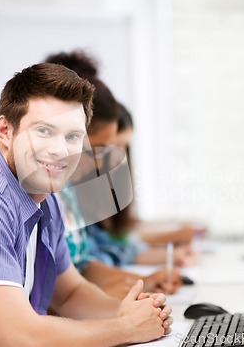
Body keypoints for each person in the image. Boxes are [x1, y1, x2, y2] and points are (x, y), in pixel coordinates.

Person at [0, 63, 173, 346]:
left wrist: (132, 313)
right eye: (44, 131)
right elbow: (14, 337)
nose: (60, 151)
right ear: (5, 131)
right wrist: (125, 328)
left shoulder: (44, 197)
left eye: (72, 136)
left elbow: (70, 293)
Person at [43, 50, 182, 299]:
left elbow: (81, 265)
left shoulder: (67, 193)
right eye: (96, 151)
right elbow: (47, 296)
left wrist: (140, 284)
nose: (102, 164)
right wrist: (115, 299)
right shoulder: (30, 196)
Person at [86, 103, 201, 268]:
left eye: (125, 146)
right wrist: (170, 244)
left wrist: (170, 251)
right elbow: (103, 254)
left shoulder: (106, 188)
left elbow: (122, 239)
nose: (121, 155)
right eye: (116, 145)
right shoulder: (79, 193)